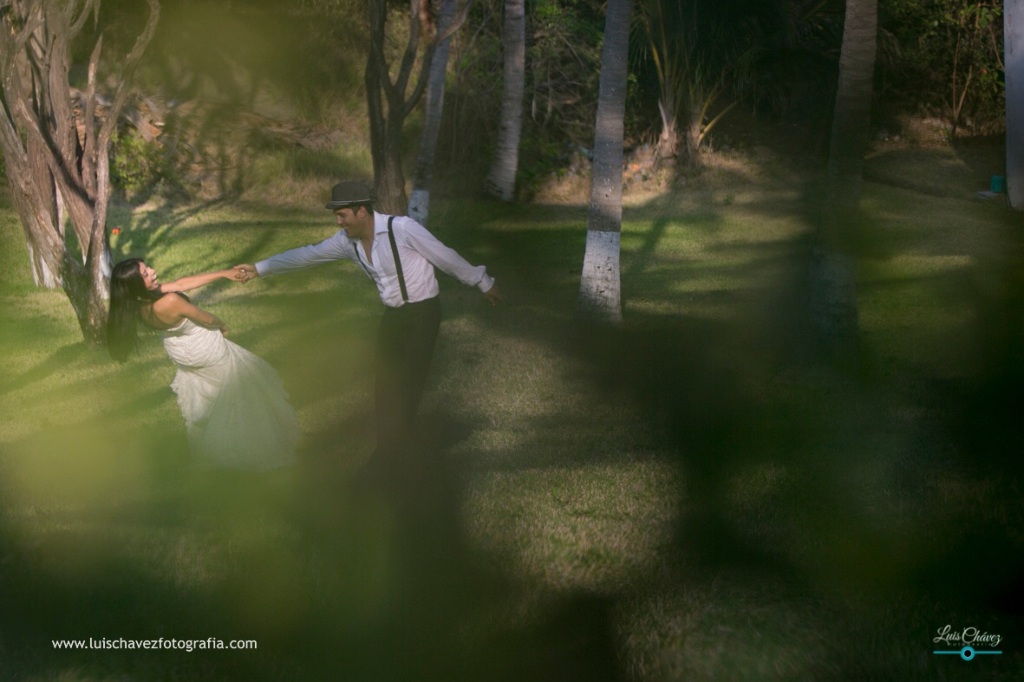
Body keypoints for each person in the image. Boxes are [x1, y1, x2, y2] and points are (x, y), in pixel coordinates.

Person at [236, 180, 502, 464]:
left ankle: (391, 456)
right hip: (393, 315)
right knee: (385, 383)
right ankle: (390, 448)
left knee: (409, 384)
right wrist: (259, 269)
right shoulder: (347, 242)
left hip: (423, 313)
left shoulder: (401, 229)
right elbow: (307, 255)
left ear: (361, 211)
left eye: (342, 216)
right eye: (337, 216)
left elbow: (444, 256)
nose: (339, 222)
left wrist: (482, 281)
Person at [107, 258, 299, 471]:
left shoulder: (137, 303)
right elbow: (206, 319)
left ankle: (213, 447)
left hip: (181, 354)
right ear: (135, 284)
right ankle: (246, 449)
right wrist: (223, 326)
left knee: (211, 395)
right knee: (239, 391)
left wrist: (223, 273)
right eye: (145, 273)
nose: (152, 271)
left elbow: (181, 284)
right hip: (205, 349)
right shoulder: (169, 301)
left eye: (147, 268)